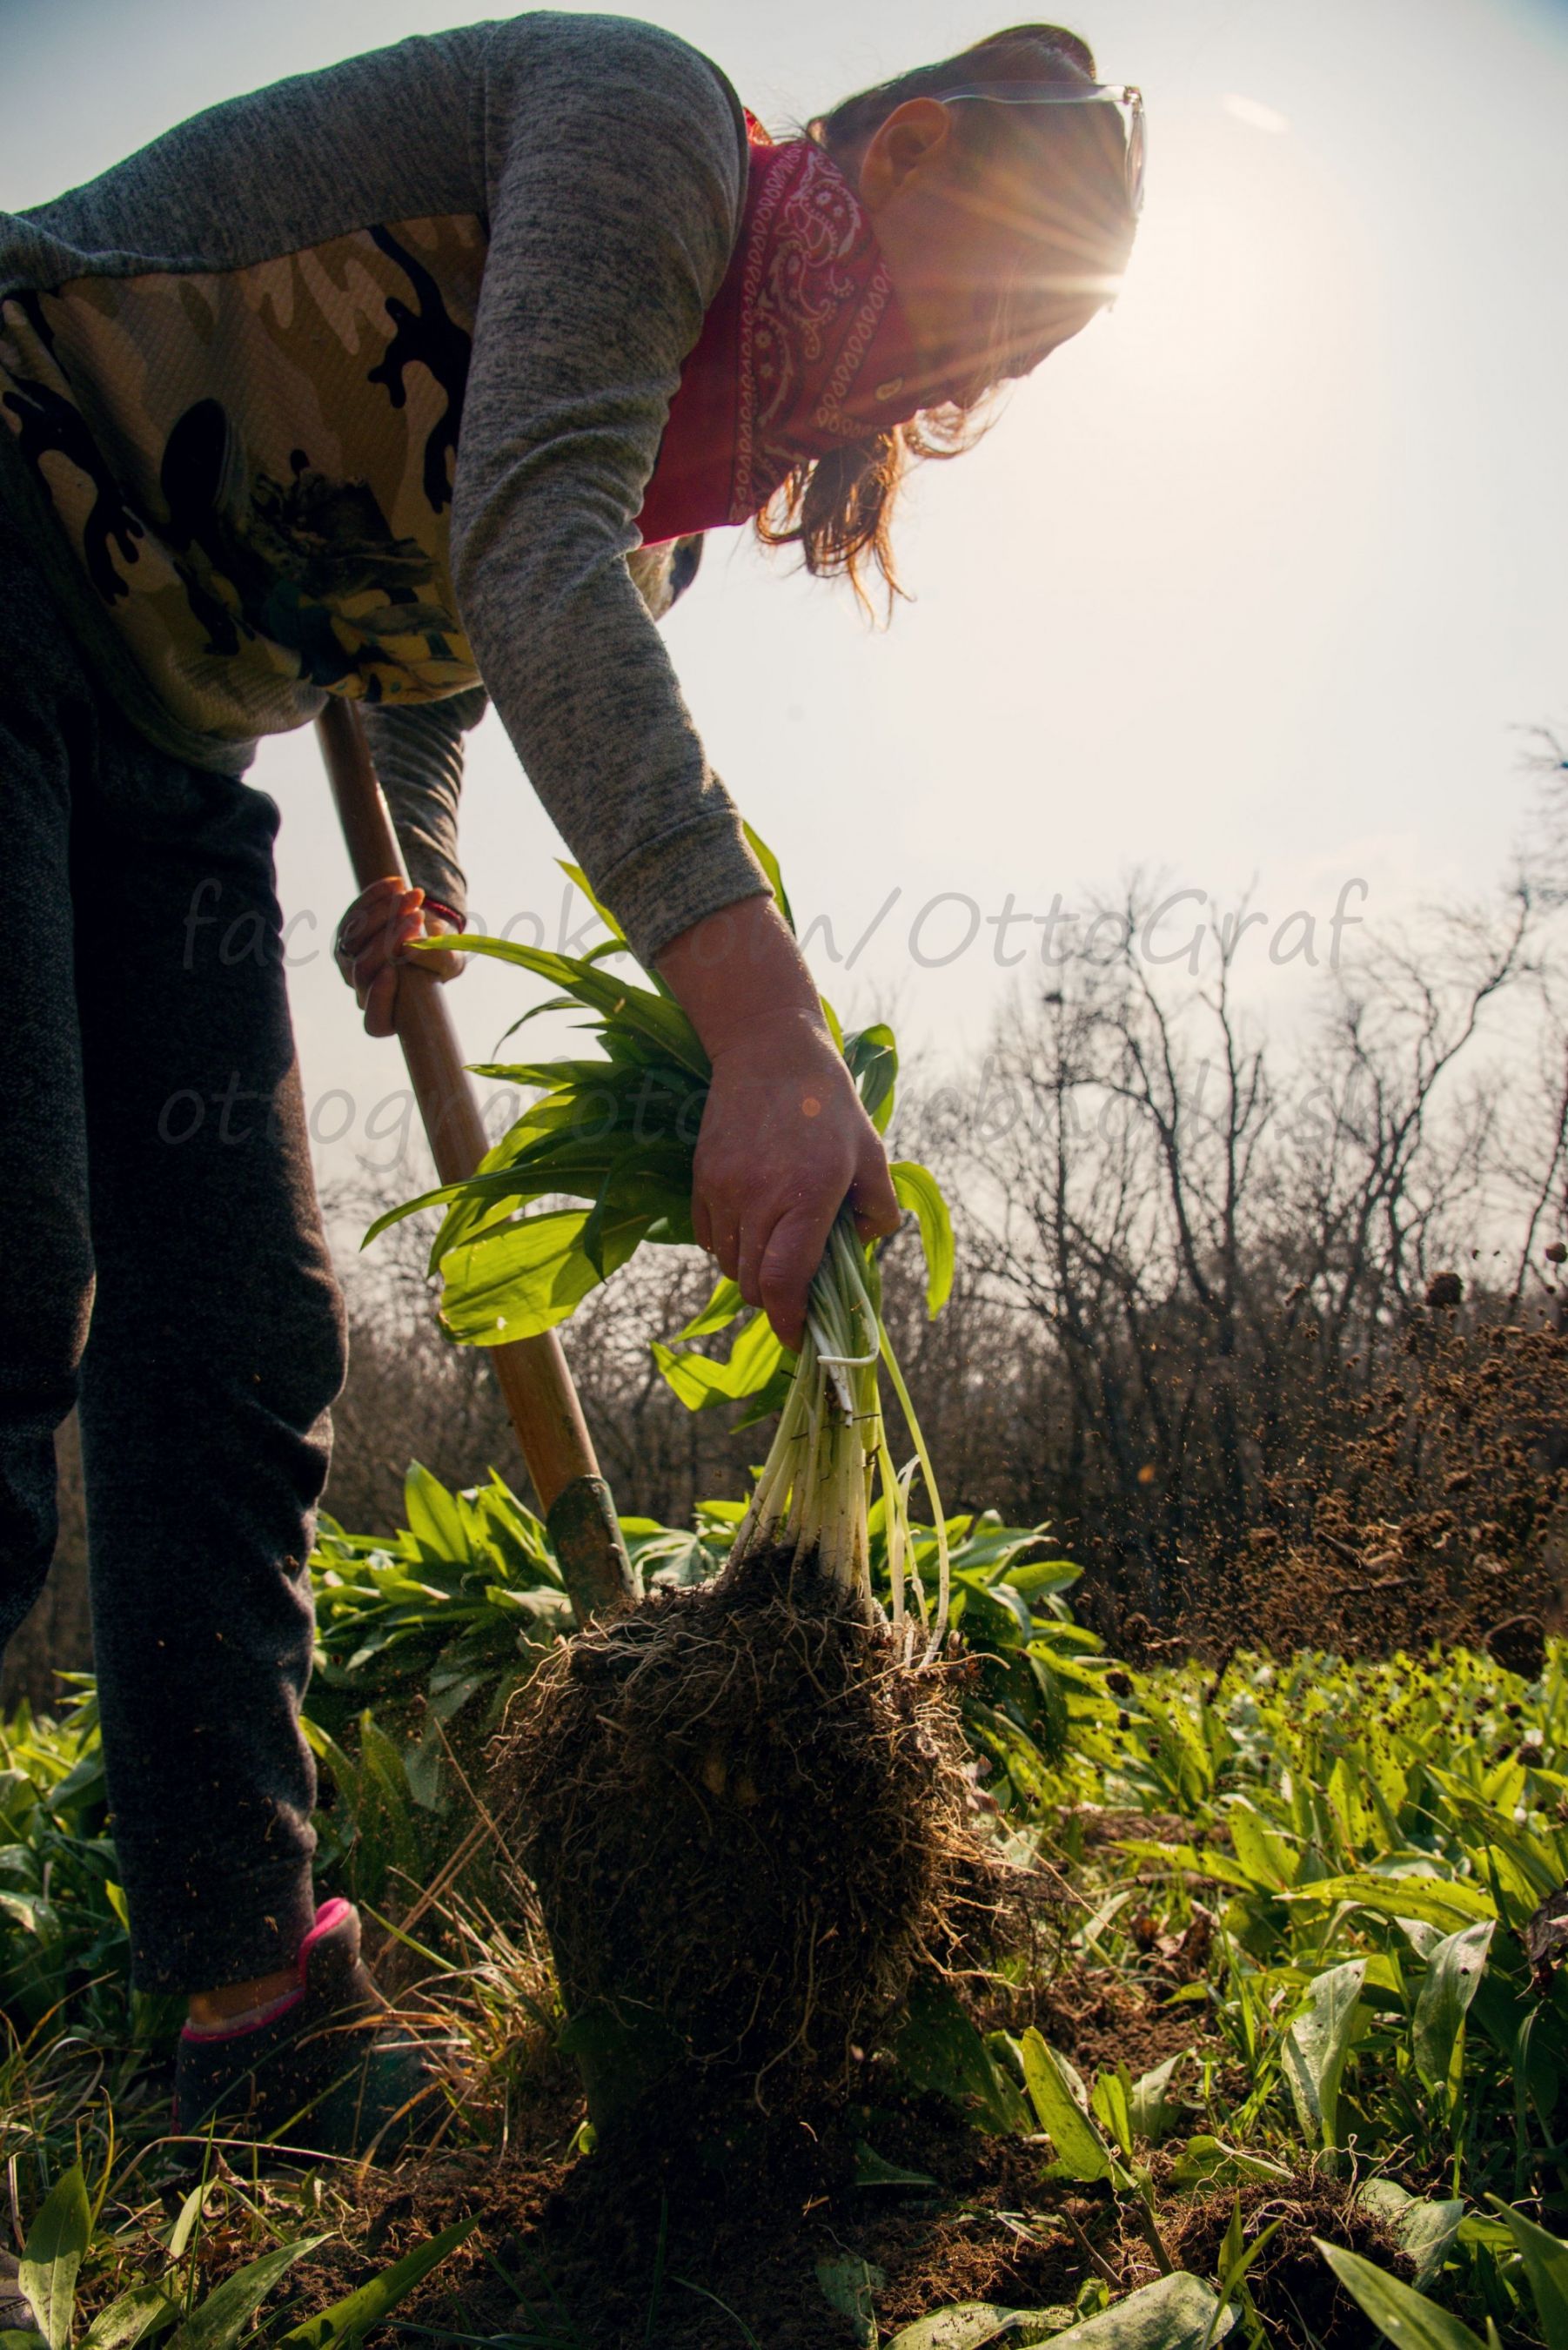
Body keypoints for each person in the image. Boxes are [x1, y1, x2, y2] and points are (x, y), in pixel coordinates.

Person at [0, 15, 1140, 2152]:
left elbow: (434, 652)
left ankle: (250, 2008)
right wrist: (766, 1029)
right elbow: (519, 538)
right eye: (971, 318)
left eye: (993, 365)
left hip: (166, 717)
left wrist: (422, 867)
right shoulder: (642, 125)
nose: (940, 386)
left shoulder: (683, 504)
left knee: (239, 1325)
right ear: (895, 160)